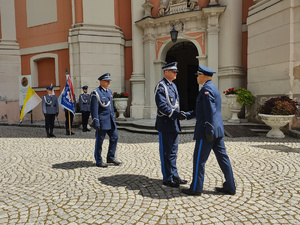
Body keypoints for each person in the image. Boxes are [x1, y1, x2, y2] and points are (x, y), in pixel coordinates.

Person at [181, 65, 236, 196]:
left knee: (199, 160)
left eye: (198, 75)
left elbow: (210, 112)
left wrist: (209, 130)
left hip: (207, 132)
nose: (197, 78)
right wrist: (187, 115)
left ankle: (195, 188)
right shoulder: (213, 88)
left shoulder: (206, 90)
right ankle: (230, 186)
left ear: (203, 76)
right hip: (217, 130)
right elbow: (202, 110)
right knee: (223, 158)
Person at [154, 62, 187, 188]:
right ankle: (167, 178)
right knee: (166, 152)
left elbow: (176, 103)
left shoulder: (172, 86)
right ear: (166, 72)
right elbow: (162, 106)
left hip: (173, 123)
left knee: (173, 152)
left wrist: (178, 115)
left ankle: (175, 175)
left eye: (176, 71)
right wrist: (175, 114)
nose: (176, 73)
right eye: (173, 71)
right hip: (165, 123)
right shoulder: (161, 86)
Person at [90, 73, 121, 168]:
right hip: (102, 121)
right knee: (99, 141)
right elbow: (94, 109)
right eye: (107, 81)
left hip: (110, 120)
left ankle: (110, 157)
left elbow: (110, 107)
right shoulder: (96, 93)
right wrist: (96, 121)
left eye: (109, 81)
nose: (108, 83)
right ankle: (98, 160)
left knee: (115, 137)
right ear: (101, 82)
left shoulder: (109, 92)